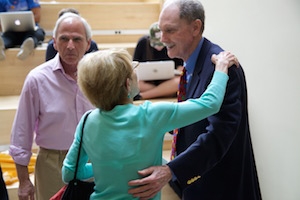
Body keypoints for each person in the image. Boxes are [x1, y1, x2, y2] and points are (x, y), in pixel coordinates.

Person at [128, 0, 262, 200]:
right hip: (196, 184)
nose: (163, 39)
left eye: (170, 30)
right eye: (161, 30)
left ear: (195, 27)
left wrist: (170, 171)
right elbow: (191, 119)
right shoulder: (191, 63)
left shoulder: (222, 69)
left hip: (220, 187)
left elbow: (218, 135)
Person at [62, 48, 238, 199]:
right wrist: (221, 67)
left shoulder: (87, 121)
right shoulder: (152, 115)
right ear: (127, 84)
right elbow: (210, 103)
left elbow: (69, 173)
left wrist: (107, 165)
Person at [9, 12, 94, 200]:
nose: (70, 46)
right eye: (64, 39)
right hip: (51, 163)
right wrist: (23, 181)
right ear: (54, 43)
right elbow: (21, 133)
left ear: (88, 44)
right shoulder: (37, 79)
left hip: (94, 158)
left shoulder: (100, 77)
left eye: (77, 39)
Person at [133, 22, 184, 100]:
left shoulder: (174, 44)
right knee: (135, 83)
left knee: (179, 81)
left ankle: (142, 96)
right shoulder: (142, 43)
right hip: (146, 82)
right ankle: (164, 92)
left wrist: (178, 71)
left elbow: (181, 67)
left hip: (168, 80)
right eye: (155, 44)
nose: (159, 47)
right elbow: (134, 66)